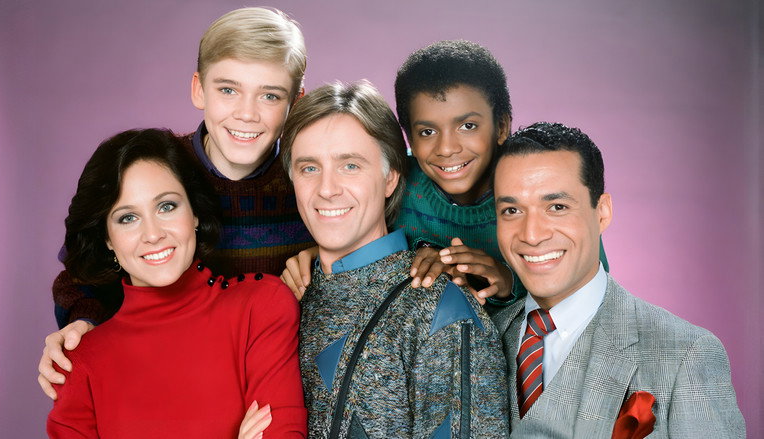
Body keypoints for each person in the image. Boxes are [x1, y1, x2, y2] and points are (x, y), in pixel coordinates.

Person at [39, 7, 314, 400]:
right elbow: (83, 271)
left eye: (270, 95)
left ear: (296, 103)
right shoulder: (158, 169)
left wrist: (324, 253)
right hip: (170, 386)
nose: (247, 114)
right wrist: (84, 321)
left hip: (275, 390)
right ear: (199, 89)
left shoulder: (312, 182)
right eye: (228, 90)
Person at [281, 40, 609, 305]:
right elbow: (353, 219)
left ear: (502, 126)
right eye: (427, 132)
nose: (447, 148)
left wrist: (509, 281)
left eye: (468, 126)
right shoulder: (399, 178)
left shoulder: (532, 187)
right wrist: (326, 254)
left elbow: (590, 285)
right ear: (409, 139)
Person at [281, 81, 508, 438]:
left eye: (350, 166)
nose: (326, 189)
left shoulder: (437, 308)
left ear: (390, 178)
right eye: (309, 168)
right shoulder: (288, 298)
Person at [489, 122, 745, 437]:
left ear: (602, 212)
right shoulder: (479, 335)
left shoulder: (686, 354)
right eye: (512, 211)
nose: (531, 235)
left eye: (557, 207)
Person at [46, 129, 306, 438]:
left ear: (194, 212)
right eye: (127, 218)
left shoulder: (262, 308)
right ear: (108, 239)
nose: (153, 234)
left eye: (167, 206)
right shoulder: (78, 362)